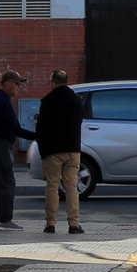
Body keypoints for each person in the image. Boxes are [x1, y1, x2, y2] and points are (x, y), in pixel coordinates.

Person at [34, 70, 86, 235]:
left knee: (52, 186)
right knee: (71, 186)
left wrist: (43, 150)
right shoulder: (76, 101)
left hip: (52, 151)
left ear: (53, 82)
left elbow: (41, 128)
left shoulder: (48, 101)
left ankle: (50, 224)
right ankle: (74, 224)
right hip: (72, 149)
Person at [0, 70, 35, 230]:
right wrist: (37, 135)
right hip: (0, 144)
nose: (19, 87)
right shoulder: (2, 101)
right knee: (7, 182)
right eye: (17, 83)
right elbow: (15, 128)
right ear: (7, 83)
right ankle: (4, 219)